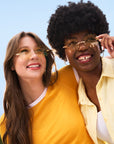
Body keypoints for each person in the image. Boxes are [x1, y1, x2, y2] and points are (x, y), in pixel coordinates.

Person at [0, 31, 94, 144]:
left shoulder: (69, 76)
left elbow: (104, 68)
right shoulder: (6, 123)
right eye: (24, 51)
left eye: (39, 50)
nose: (34, 56)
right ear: (11, 64)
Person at [47, 1, 114, 144]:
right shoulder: (80, 101)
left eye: (89, 39)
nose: (82, 47)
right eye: (72, 43)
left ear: (100, 43)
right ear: (63, 53)